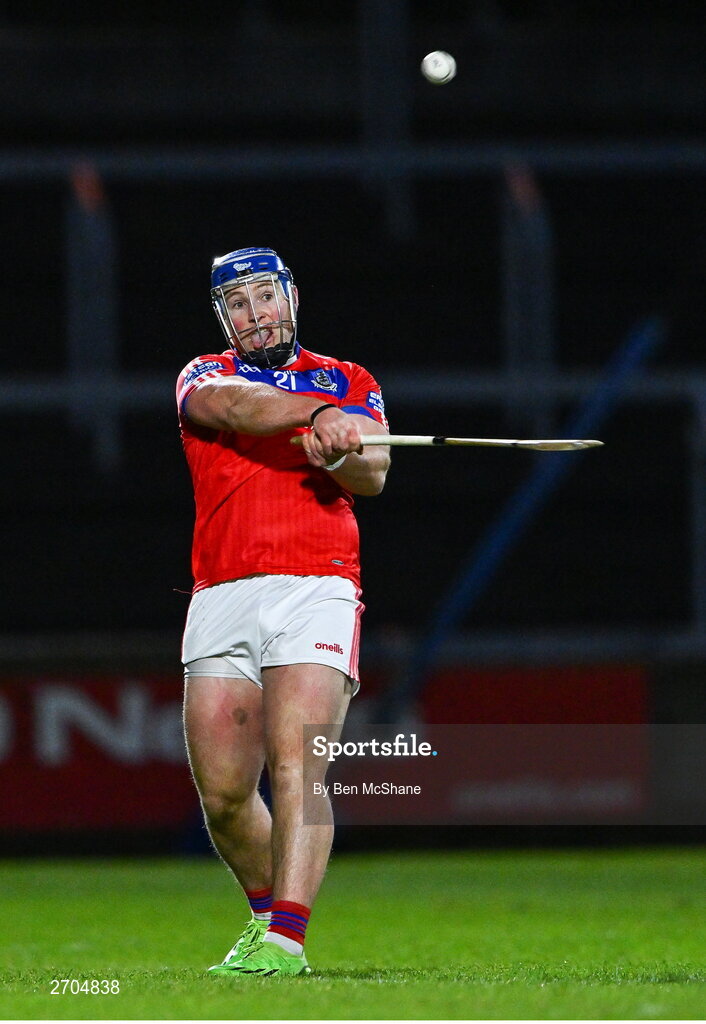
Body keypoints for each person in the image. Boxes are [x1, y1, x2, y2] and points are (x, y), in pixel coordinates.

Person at [176, 246, 390, 977]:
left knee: (300, 766)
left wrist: (341, 449)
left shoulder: (350, 379)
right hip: (222, 593)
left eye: (264, 296)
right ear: (222, 318)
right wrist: (319, 415)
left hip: (317, 584)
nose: (254, 313)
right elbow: (238, 408)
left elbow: (375, 473)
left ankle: (286, 941)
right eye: (236, 304)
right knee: (227, 797)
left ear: (291, 296)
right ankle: (267, 916)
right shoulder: (205, 375)